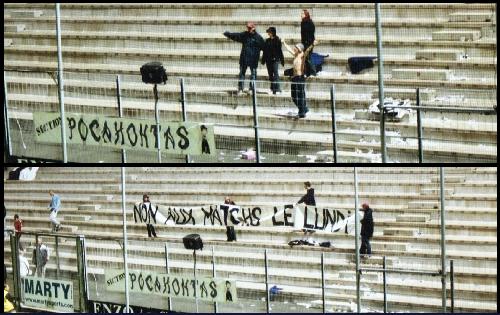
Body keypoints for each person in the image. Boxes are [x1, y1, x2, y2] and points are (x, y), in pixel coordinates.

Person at [224, 22, 265, 95]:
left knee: (253, 75)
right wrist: (228, 34)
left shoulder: (258, 38)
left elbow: (265, 48)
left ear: (253, 28)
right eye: (248, 28)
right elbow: (236, 36)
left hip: (253, 60)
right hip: (244, 59)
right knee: (241, 74)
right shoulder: (244, 35)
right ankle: (240, 89)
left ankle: (252, 89)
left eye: (250, 28)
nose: (248, 29)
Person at [282, 39, 319, 118]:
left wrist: (313, 44)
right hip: (294, 78)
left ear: (299, 49)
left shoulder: (302, 56)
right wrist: (284, 43)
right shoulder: (295, 55)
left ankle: (302, 111)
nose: (294, 49)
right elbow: (289, 49)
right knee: (294, 96)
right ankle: (304, 109)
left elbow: (307, 51)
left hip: (300, 77)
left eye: (296, 48)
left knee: (300, 96)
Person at [261, 26, 285, 95]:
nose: (268, 33)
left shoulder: (277, 40)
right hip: (268, 60)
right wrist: (263, 60)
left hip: (275, 60)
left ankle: (277, 88)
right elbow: (265, 51)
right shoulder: (267, 41)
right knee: (270, 74)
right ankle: (272, 88)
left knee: (276, 73)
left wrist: (282, 60)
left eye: (269, 32)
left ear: (272, 33)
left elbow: (279, 51)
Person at [301, 9, 317, 77]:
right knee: (306, 57)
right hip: (305, 43)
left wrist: (310, 43)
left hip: (309, 43)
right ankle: (307, 72)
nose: (300, 15)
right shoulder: (303, 23)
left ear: (305, 15)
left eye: (302, 14)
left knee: (308, 57)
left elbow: (311, 34)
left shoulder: (310, 23)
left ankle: (313, 72)